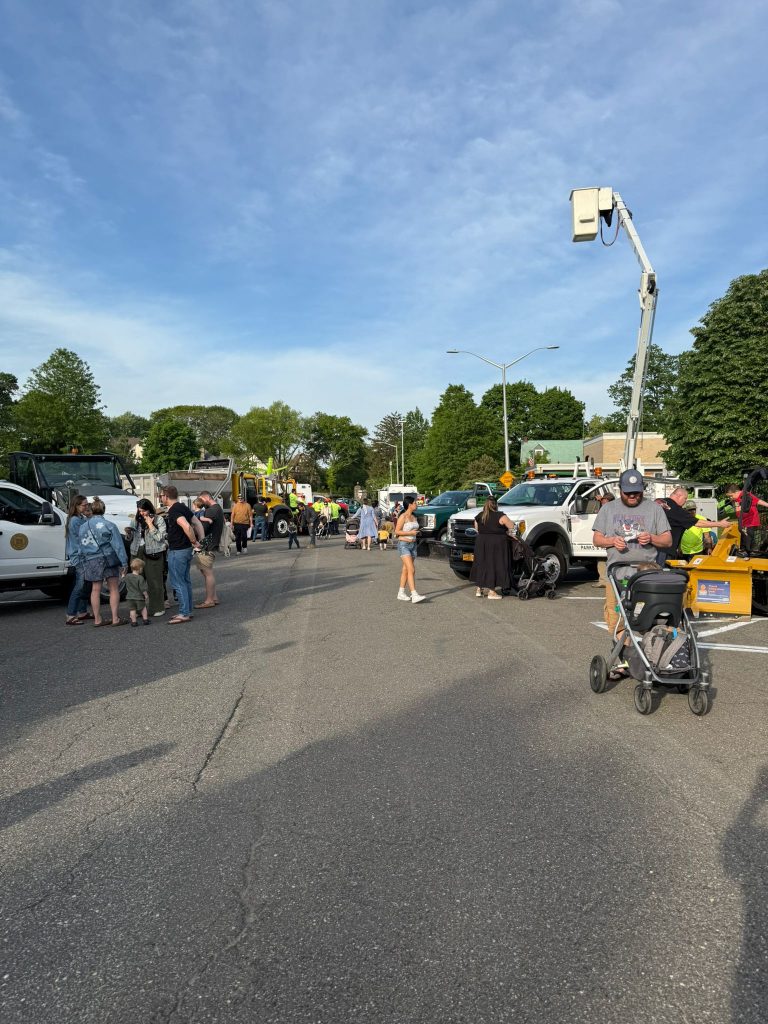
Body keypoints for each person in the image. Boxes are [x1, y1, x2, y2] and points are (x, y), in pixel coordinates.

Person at [592, 470, 672, 660]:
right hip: (617, 573)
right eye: (628, 492)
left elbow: (667, 540)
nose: (632, 496)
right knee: (616, 620)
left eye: (636, 492)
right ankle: (628, 660)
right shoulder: (608, 509)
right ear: (620, 490)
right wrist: (612, 541)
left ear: (642, 489)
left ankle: (652, 657)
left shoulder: (654, 509)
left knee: (649, 618)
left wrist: (651, 538)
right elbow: (597, 539)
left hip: (647, 574)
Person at [77, 496, 129, 627]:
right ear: (103, 510)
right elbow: (118, 546)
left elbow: (80, 547)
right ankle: (115, 618)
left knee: (95, 589)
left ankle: (97, 619)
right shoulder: (109, 525)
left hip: (91, 560)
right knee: (113, 588)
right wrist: (124, 562)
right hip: (107, 558)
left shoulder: (83, 527)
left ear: (91, 510)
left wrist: (82, 562)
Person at [654, 486, 730, 564]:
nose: (685, 501)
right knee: (661, 570)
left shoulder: (658, 502)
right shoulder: (678, 511)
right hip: (664, 550)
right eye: (685, 498)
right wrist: (720, 524)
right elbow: (698, 523)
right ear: (679, 496)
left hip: (651, 545)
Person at [161, 485, 200, 624]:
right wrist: (200, 540)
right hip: (185, 550)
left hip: (178, 550)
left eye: (161, 496)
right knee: (185, 581)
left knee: (178, 582)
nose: (160, 498)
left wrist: (194, 541)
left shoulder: (174, 510)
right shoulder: (183, 507)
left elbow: (187, 526)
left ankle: (184, 613)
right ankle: (187, 610)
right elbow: (196, 522)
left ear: (166, 496)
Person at [468, 495, 516, 599]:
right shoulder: (501, 516)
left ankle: (479, 589)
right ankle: (492, 592)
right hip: (496, 544)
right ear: (496, 505)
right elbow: (512, 526)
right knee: (494, 565)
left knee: (481, 564)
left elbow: (477, 529)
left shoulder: (479, 516)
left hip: (481, 542)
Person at [130, 499, 168, 617]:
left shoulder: (159, 519)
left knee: (155, 581)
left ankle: (157, 608)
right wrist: (129, 533)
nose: (142, 513)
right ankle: (138, 610)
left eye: (144, 511)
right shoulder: (136, 520)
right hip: (137, 552)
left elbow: (160, 538)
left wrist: (151, 525)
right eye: (139, 511)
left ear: (150, 509)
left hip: (154, 553)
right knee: (136, 582)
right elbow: (131, 538)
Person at [194, 490, 224, 609]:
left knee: (207, 573)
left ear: (206, 498)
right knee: (206, 572)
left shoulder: (210, 511)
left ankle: (209, 600)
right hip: (211, 544)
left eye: (201, 499)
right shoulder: (218, 509)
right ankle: (214, 597)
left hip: (207, 545)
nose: (200, 502)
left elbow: (202, 529)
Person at [64, 494, 92, 625]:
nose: (86, 507)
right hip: (79, 556)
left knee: (85, 584)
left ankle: (82, 611)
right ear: (76, 506)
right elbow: (82, 538)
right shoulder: (75, 520)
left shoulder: (79, 518)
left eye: (87, 504)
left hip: (80, 555)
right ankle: (70, 615)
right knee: (80, 586)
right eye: (84, 505)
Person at [395, 495, 426, 603]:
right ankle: (414, 594)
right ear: (410, 505)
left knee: (406, 569)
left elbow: (414, 530)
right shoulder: (403, 516)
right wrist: (411, 533)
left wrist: (417, 532)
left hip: (413, 545)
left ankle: (401, 593)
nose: (416, 504)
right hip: (404, 545)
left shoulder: (414, 516)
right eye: (415, 503)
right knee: (411, 569)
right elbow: (397, 531)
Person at [726, 483, 768, 556]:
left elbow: (758, 501)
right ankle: (744, 550)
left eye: (731, 496)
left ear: (737, 492)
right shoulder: (735, 500)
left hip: (750, 521)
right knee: (744, 536)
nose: (730, 498)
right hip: (743, 522)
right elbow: (738, 512)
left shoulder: (746, 495)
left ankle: (749, 551)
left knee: (748, 535)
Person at [125, 558, 151, 626]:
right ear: (140, 568)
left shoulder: (127, 576)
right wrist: (146, 595)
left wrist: (122, 575)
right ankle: (145, 620)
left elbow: (122, 580)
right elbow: (143, 589)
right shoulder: (140, 578)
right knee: (143, 608)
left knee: (132, 610)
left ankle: (134, 622)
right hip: (139, 597)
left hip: (129, 597)